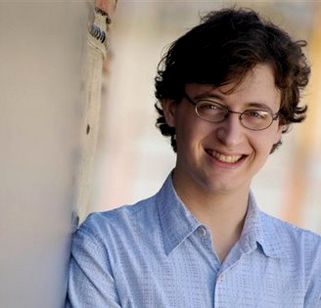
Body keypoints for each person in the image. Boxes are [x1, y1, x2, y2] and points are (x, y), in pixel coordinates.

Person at [66, 7, 321, 307]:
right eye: (212, 106)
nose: (231, 136)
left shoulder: (310, 265)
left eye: (255, 114)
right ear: (172, 108)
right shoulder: (105, 247)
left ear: (279, 126)